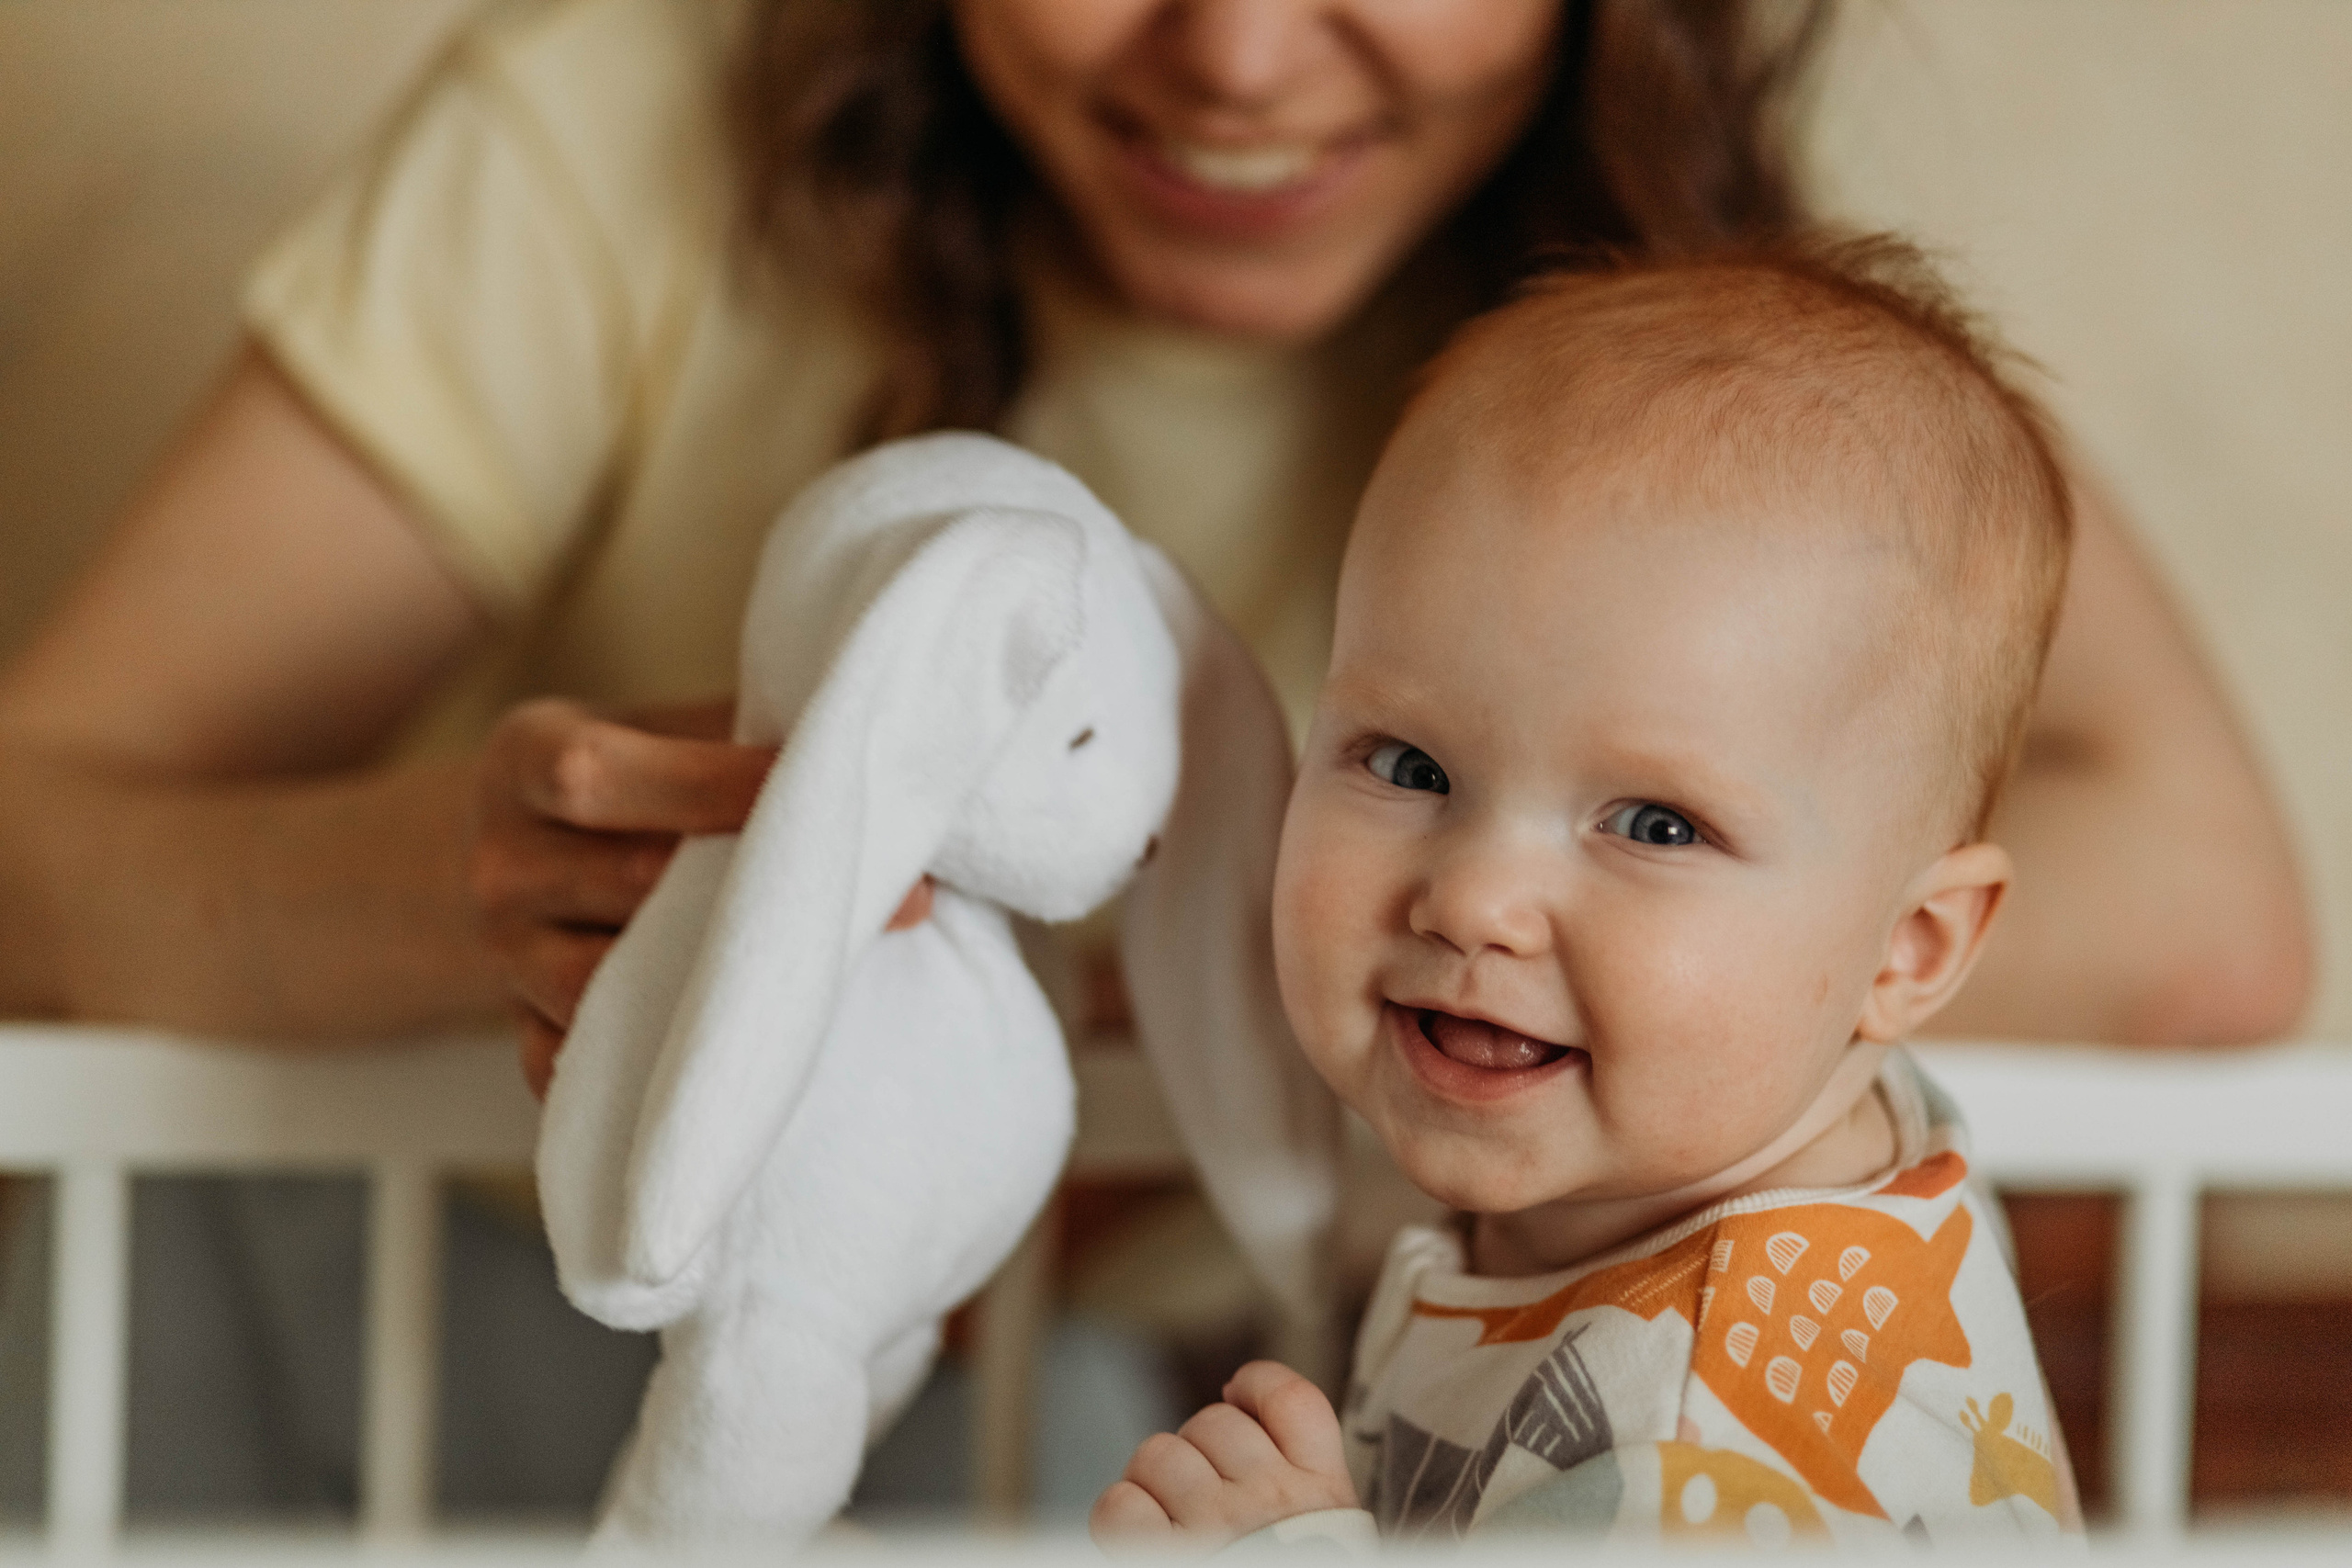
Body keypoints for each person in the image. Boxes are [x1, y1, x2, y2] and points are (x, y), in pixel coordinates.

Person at [0, 0, 2306, 1520]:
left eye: (1648, 814)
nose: (1229, 56)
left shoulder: (1716, 349)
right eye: (1387, 757)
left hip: (1017, 1367)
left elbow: (2205, 920)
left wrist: (1156, 982)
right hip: (376, 1275)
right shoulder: (623, 120)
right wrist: (530, 880)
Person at [1091, 239, 2084, 1552]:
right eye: (1411, 764)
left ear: (1906, 950)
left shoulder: (1720, 1444)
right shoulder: (1770, 1139)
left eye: (1656, 824)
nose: (1476, 900)